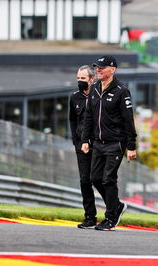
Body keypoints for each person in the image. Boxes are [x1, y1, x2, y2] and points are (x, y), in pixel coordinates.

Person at [81, 55, 137, 231]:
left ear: (112, 70)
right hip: (98, 143)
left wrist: (131, 146)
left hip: (116, 143)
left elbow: (129, 120)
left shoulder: (121, 91)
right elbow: (88, 116)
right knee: (95, 178)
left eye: (102, 67)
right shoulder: (95, 88)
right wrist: (85, 139)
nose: (98, 70)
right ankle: (117, 206)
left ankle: (111, 218)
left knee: (108, 179)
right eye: (97, 67)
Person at [69, 65, 97, 229]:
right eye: (78, 79)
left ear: (91, 79)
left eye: (83, 79)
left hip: (98, 144)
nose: (80, 82)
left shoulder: (98, 96)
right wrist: (76, 140)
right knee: (85, 181)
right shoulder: (74, 97)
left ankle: (113, 208)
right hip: (81, 145)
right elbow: (72, 120)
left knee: (99, 179)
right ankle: (90, 217)